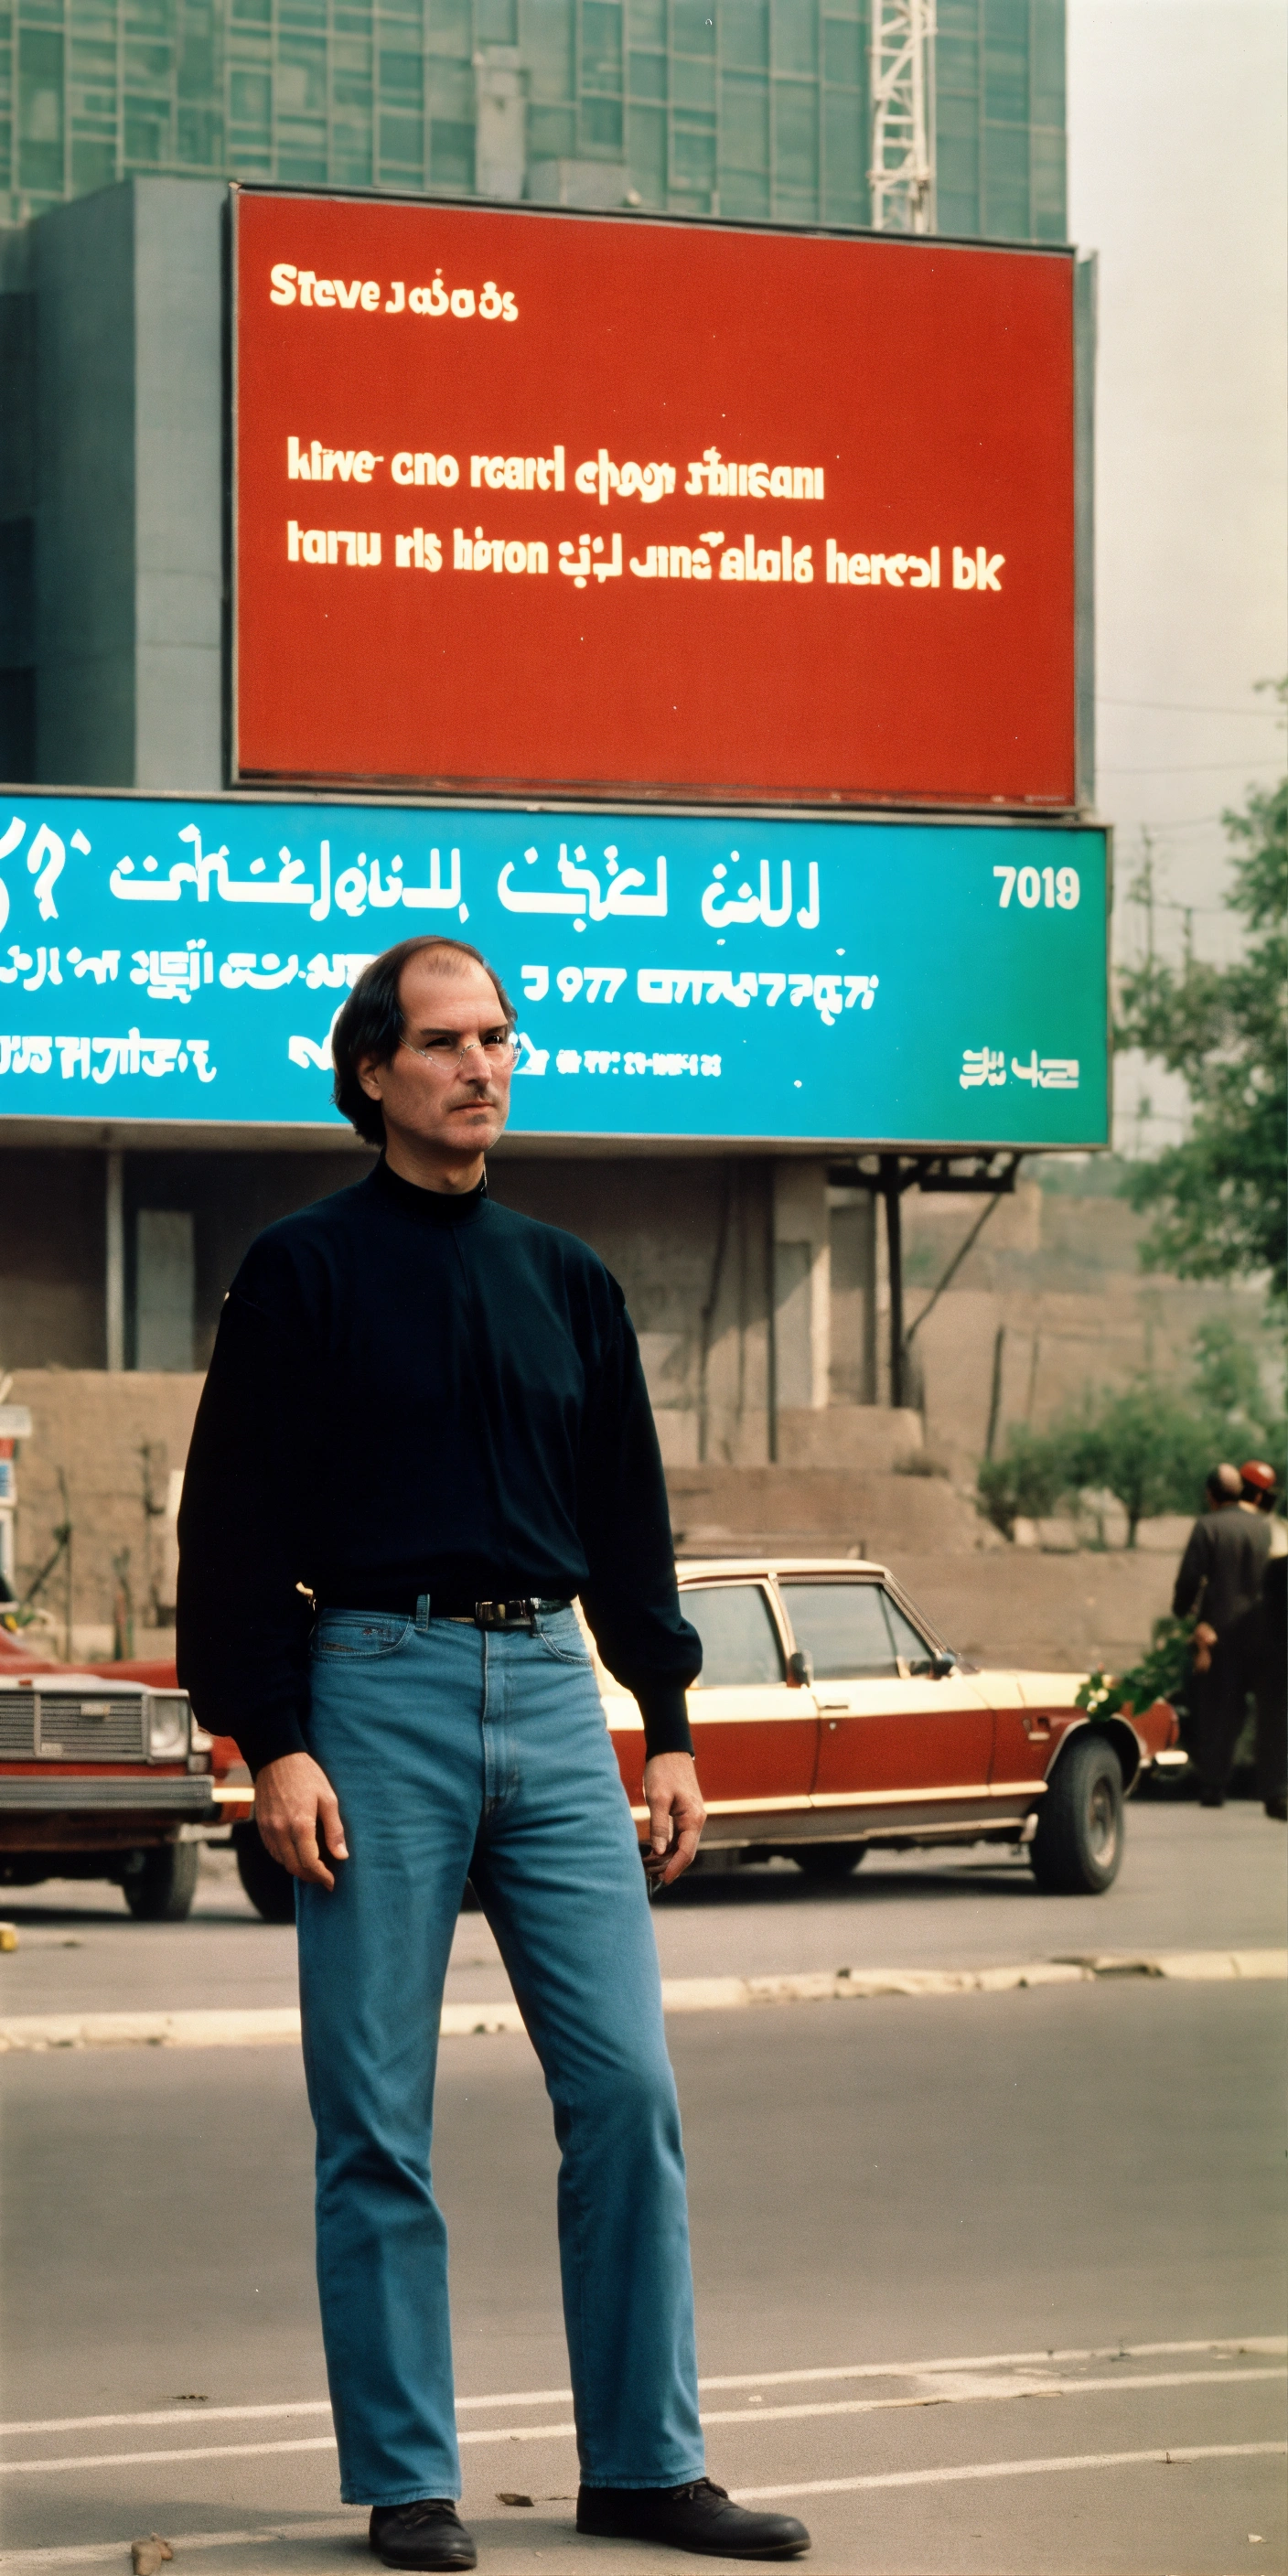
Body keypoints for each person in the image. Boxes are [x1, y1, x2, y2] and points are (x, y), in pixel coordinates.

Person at [177, 935, 810, 2572]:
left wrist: (664, 1724)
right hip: (368, 1688)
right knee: (374, 2114)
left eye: (500, 1038)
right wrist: (277, 1744)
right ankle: (409, 2481)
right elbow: (234, 1531)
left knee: (624, 2089)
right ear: (373, 1071)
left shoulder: (569, 1279)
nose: (484, 1064)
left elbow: (630, 1531)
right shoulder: (300, 1271)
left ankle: (644, 2462)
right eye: (447, 1041)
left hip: (550, 1689)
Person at [1172, 1464, 1271, 1806]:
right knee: (1266, 1710)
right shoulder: (1265, 1528)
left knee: (1218, 1709)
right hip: (1263, 1632)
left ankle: (1214, 1784)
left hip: (1218, 1633)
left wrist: (1182, 1612)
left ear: (1210, 1494)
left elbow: (1190, 1578)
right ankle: (1271, 1787)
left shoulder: (1207, 1527)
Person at [1221, 1552, 1287, 1821]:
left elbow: (1266, 1603)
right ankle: (1276, 1792)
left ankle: (1276, 1793)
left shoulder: (1277, 1567)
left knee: (1273, 1726)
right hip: (1275, 1657)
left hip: (1271, 1657)